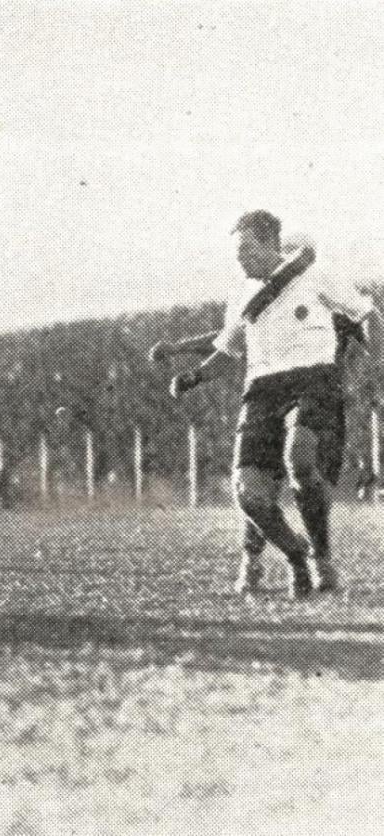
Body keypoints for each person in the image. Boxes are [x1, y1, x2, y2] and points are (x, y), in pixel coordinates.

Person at [170, 210, 376, 598]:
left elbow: (365, 311)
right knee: (248, 493)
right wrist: (194, 376)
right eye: (237, 250)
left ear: (270, 245)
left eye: (246, 248)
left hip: (313, 379)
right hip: (262, 390)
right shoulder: (241, 294)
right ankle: (296, 555)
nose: (239, 258)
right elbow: (228, 349)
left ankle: (321, 555)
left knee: (300, 458)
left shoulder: (315, 275)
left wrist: (377, 357)